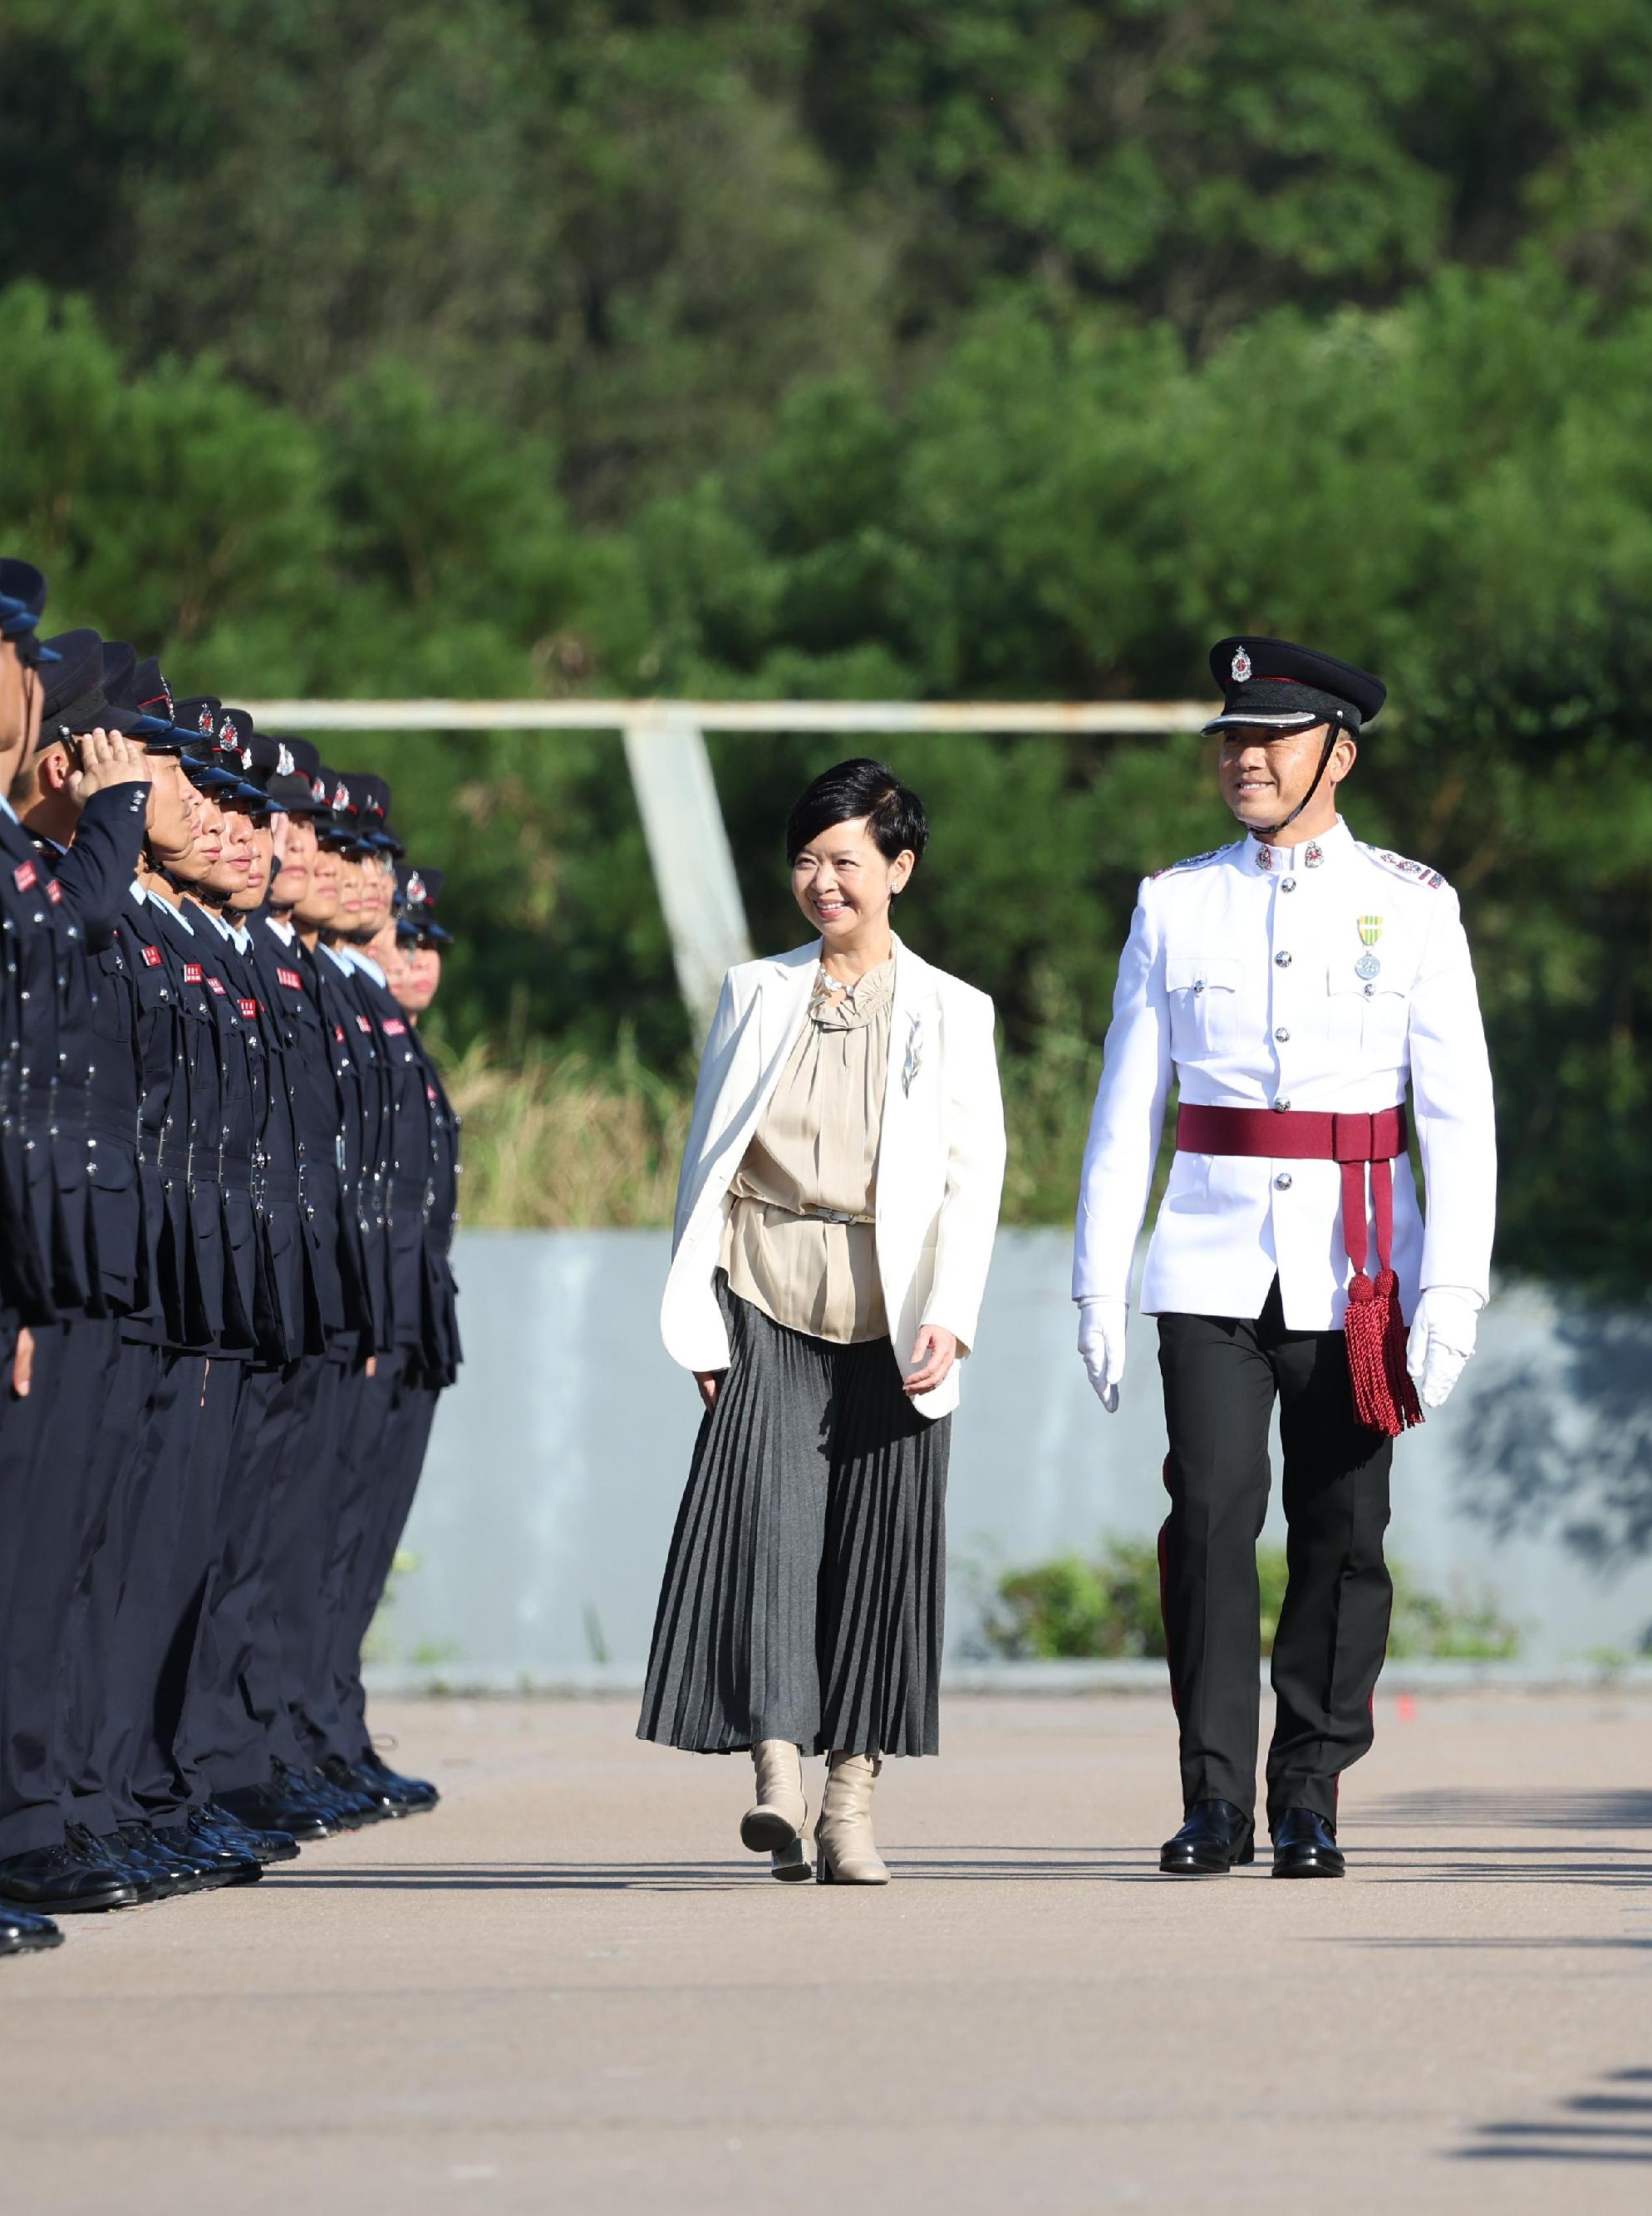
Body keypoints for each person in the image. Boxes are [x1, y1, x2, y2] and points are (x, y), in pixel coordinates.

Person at [1072, 639, 1495, 1881]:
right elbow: (1125, 1106)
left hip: (1359, 1263)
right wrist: (1100, 1279)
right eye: (1231, 737)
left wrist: (1455, 1282)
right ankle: (1214, 1800)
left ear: (1338, 754)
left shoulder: (1413, 904)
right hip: (1206, 1257)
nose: (1245, 756)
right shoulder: (1175, 902)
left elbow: (1458, 1111)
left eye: (1272, 736)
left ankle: (1308, 1788)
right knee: (1206, 1515)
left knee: (1344, 1528)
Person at [641, 759, 1005, 1884]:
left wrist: (953, 1313)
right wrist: (700, 1314)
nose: (823, 882)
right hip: (763, 1289)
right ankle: (778, 1781)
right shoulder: (756, 992)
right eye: (806, 860)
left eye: (846, 860)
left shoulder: (953, 1009)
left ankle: (851, 1803)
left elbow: (972, 1173)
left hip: (894, 1313)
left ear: (898, 869)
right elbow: (706, 1160)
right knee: (769, 1540)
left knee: (879, 1558)